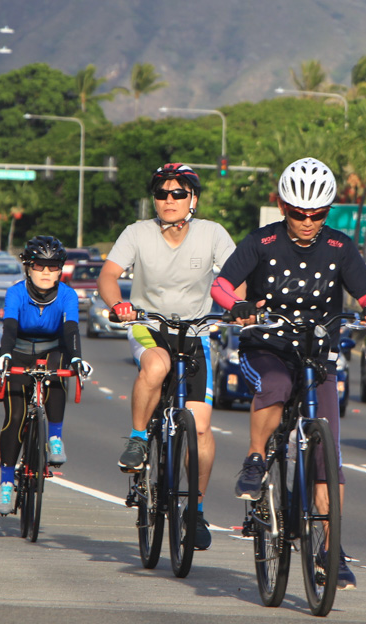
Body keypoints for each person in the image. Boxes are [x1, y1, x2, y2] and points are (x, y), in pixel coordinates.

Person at [211, 157, 366, 590]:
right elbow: (221, 285)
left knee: (331, 459)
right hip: (267, 348)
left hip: (317, 354)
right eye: (298, 213)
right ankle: (255, 460)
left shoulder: (340, 247)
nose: (308, 222)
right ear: (282, 205)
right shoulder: (262, 241)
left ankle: (330, 547)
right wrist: (238, 307)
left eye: (318, 214)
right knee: (275, 385)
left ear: (328, 211)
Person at [97, 162, 236, 551]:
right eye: (162, 193)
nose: (169, 200)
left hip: (196, 332)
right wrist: (118, 304)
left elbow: (235, 276)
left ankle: (196, 509)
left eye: (178, 193)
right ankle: (140, 439)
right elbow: (108, 275)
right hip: (149, 326)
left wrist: (241, 302)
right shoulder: (137, 233)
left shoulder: (212, 234)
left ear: (193, 198)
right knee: (155, 365)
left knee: (202, 428)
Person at [0, 236, 92, 515]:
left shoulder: (68, 295)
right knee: (15, 418)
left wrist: (78, 360)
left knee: (59, 368)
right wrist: (5, 355)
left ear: (61, 269)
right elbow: (9, 328)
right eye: (39, 265)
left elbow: (71, 330)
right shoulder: (16, 292)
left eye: (53, 266)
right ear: (28, 267)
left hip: (52, 352)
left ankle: (55, 438)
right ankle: (6, 484)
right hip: (19, 351)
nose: (46, 272)